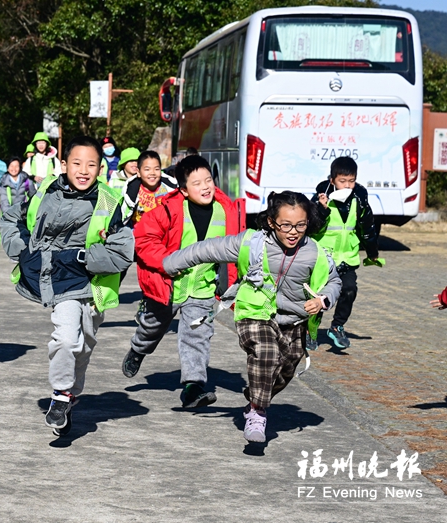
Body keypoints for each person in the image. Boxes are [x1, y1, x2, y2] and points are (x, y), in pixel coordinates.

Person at [162, 191, 341, 443]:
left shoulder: (314, 252)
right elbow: (208, 249)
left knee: (286, 368)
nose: (293, 232)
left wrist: (323, 299)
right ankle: (257, 413)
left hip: (294, 320)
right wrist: (170, 264)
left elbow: (333, 281)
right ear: (271, 222)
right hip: (254, 312)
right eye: (286, 225)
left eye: (300, 225)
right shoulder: (251, 243)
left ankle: (255, 397)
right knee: (266, 352)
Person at [0, 136, 134, 436]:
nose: (83, 170)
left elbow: (124, 250)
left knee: (84, 344)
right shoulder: (43, 190)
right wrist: (21, 248)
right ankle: (60, 396)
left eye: (91, 164)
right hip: (61, 283)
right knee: (65, 340)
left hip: (93, 284)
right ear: (63, 164)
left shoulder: (110, 201)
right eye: (76, 163)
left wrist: (86, 257)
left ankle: (69, 396)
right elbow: (10, 216)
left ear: (101, 169)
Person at [122, 155, 240, 408]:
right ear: (184, 190)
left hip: (202, 289)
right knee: (152, 327)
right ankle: (138, 349)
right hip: (168, 286)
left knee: (197, 335)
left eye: (208, 180)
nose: (206, 186)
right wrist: (166, 262)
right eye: (197, 183)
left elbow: (236, 249)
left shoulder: (227, 210)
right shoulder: (167, 209)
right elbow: (144, 239)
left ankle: (193, 387)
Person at [310, 156, 379, 350]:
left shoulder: (359, 199)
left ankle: (337, 326)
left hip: (347, 258)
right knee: (319, 297)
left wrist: (372, 253)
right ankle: (310, 331)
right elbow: (310, 228)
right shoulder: (320, 198)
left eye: (351, 181)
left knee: (349, 290)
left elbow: (368, 228)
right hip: (323, 259)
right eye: (342, 181)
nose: (347, 185)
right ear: (332, 180)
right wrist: (321, 210)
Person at [122, 150, 178, 226]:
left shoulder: (170, 189)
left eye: (157, 169)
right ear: (138, 172)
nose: (152, 173)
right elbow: (124, 216)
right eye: (147, 169)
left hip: (164, 232)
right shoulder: (132, 193)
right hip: (138, 233)